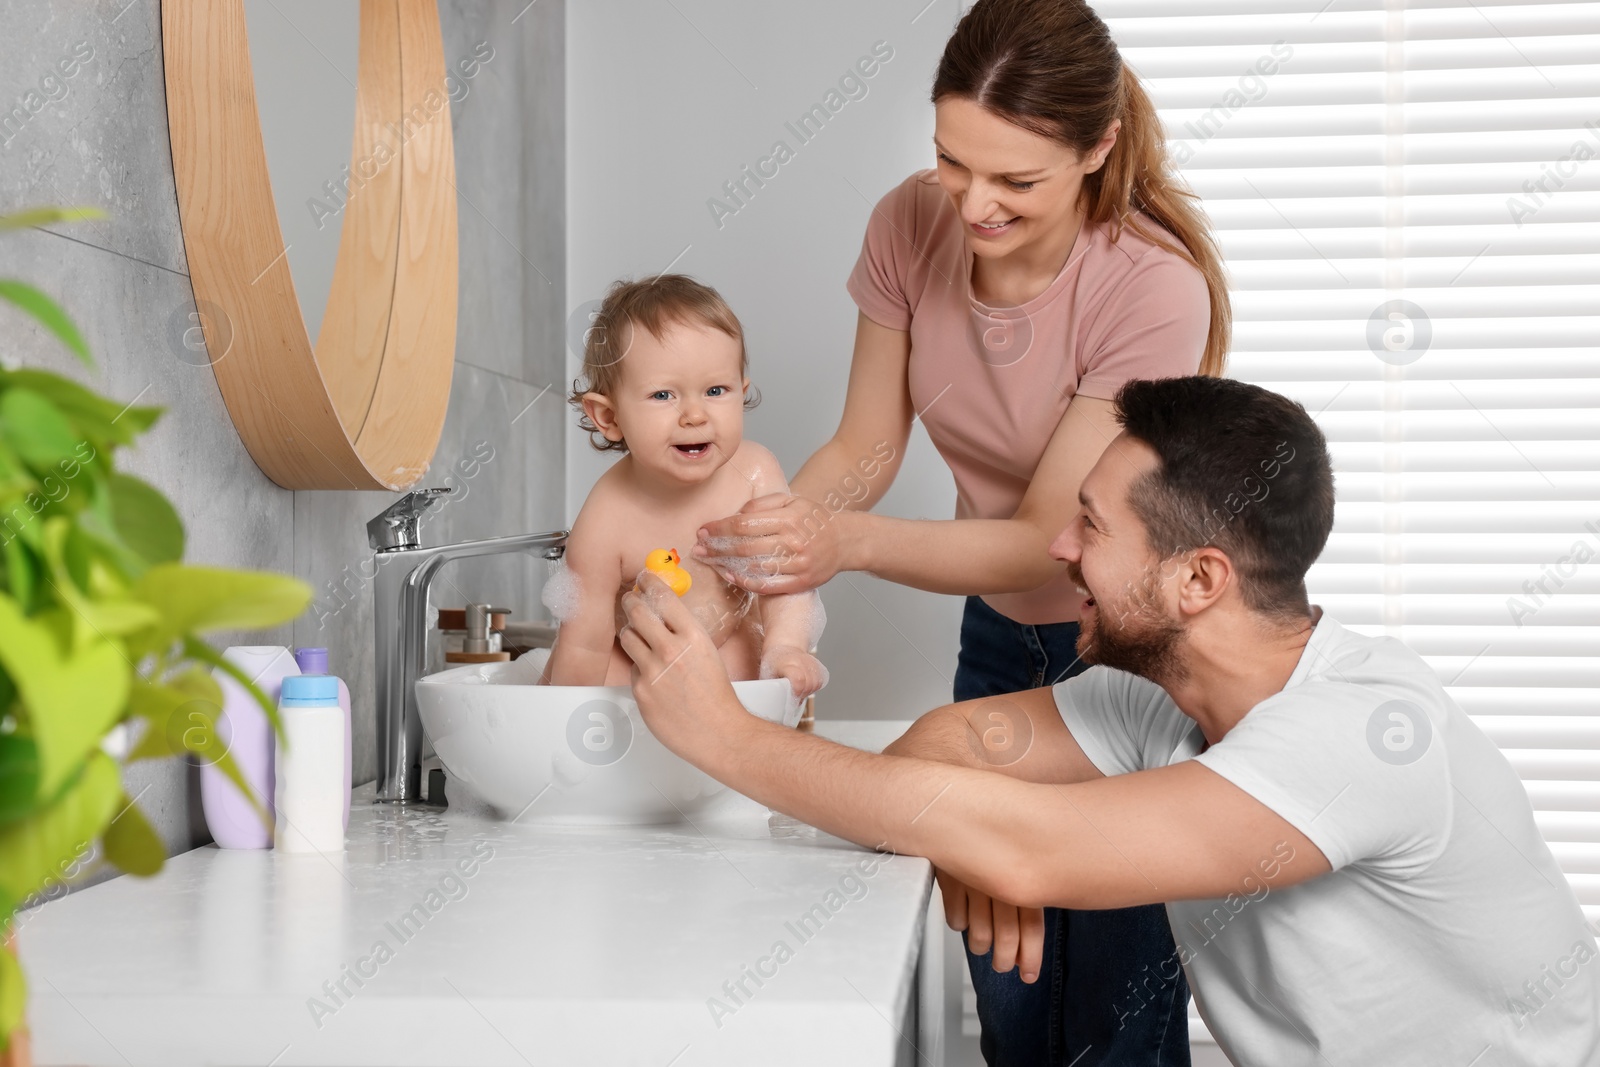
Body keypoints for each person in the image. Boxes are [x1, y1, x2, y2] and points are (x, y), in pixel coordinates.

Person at [623, 375, 1600, 1067]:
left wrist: (723, 732)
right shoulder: (1156, 692)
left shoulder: (1360, 734)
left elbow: (1034, 846)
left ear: (1197, 578)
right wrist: (985, 849)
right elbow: (945, 742)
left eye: (1090, 524)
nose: (1056, 544)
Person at [692, 0, 1227, 1061]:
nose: (973, 203)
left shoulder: (1151, 286)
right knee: (1010, 973)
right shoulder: (906, 222)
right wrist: (763, 542)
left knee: (1113, 1002)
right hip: (998, 642)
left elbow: (1044, 537)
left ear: (1096, 146)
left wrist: (843, 545)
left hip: (1123, 653)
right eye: (951, 161)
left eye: (1015, 181)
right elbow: (863, 447)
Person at [542, 275, 827, 701]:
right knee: (592, 685)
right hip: (636, 653)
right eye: (663, 395)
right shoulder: (606, 518)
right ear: (609, 417)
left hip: (725, 643)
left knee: (751, 673)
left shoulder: (753, 473)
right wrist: (558, 720)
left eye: (716, 390)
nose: (695, 414)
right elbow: (585, 640)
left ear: (741, 393)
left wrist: (787, 648)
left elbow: (783, 579)